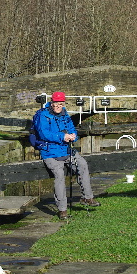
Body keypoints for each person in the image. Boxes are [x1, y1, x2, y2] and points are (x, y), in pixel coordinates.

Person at [33, 91, 99, 219]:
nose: (58, 106)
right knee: (59, 175)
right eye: (56, 103)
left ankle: (87, 197)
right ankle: (62, 210)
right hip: (50, 152)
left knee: (82, 164)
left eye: (61, 103)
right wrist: (62, 136)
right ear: (51, 102)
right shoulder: (43, 115)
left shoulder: (65, 114)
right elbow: (43, 134)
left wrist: (73, 136)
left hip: (66, 150)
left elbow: (71, 128)